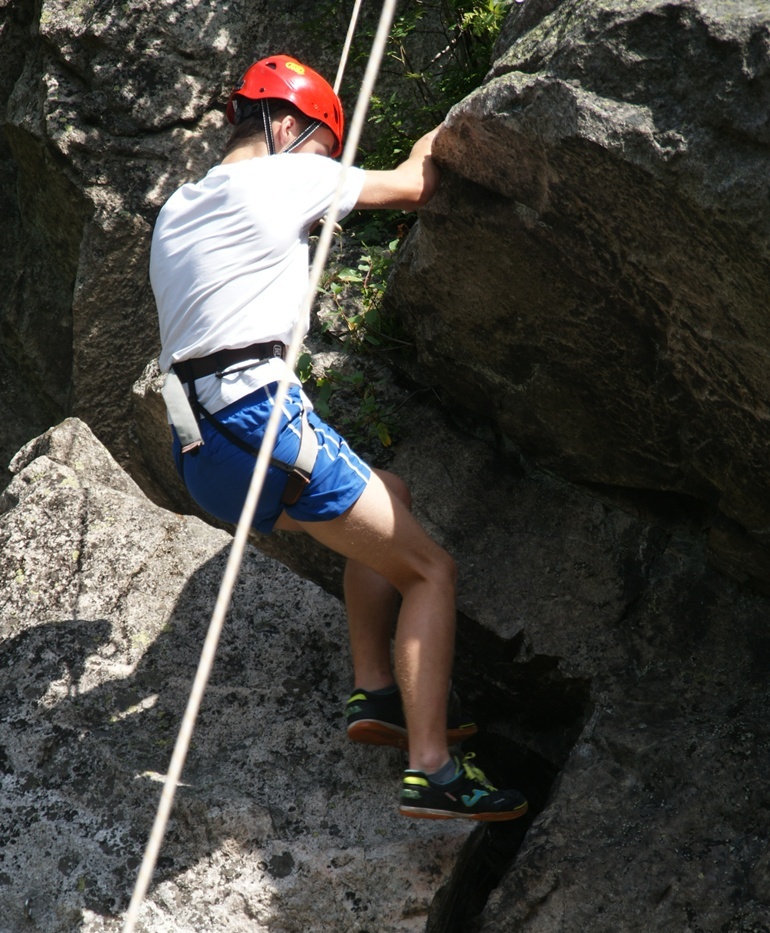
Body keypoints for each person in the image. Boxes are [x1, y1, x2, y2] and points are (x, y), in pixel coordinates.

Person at [150, 54, 528, 822]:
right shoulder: (285, 178)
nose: (324, 162)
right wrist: (446, 128)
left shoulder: (179, 209)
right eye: (323, 146)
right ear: (288, 125)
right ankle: (433, 768)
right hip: (258, 422)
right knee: (431, 571)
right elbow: (416, 185)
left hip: (199, 449)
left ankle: (378, 691)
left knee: (389, 495)